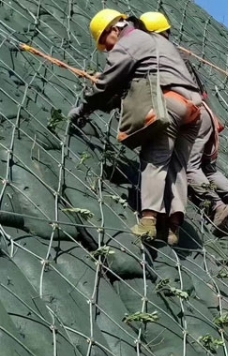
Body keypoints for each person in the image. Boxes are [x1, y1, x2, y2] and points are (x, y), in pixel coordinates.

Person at [68, 9, 203, 245]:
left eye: (104, 42)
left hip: (168, 103)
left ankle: (148, 221)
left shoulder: (128, 43)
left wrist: (83, 108)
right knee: (177, 166)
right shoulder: (157, 40)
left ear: (113, 30)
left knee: (155, 158)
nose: (107, 49)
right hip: (193, 110)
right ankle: (172, 227)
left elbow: (107, 85)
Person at [140, 12, 228, 232]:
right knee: (208, 166)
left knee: (189, 166)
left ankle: (218, 206)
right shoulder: (179, 57)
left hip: (189, 113)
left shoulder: (155, 56)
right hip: (205, 113)